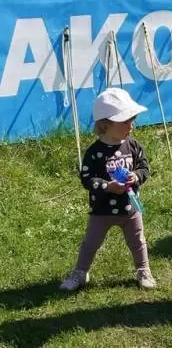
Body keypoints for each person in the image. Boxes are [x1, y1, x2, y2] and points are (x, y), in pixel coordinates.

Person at [60, 88, 155, 291]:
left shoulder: (133, 146)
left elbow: (144, 168)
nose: (131, 125)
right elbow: (87, 179)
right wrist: (107, 186)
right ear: (105, 124)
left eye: (132, 120)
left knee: (138, 241)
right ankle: (80, 273)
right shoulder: (94, 152)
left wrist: (136, 176)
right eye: (125, 121)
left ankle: (143, 270)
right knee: (90, 243)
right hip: (101, 211)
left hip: (130, 209)